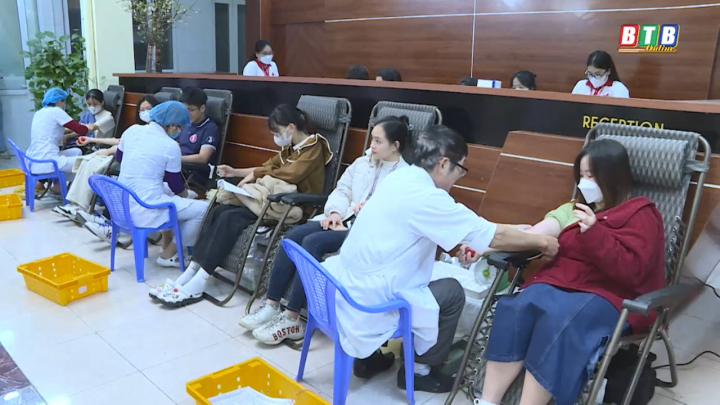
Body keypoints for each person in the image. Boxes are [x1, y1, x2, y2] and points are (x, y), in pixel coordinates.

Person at [320, 126, 558, 392]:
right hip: (368, 300)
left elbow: (464, 229)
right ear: (444, 163)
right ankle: (420, 371)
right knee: (452, 292)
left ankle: (368, 359)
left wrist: (494, 235)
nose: (460, 176)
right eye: (461, 169)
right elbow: (494, 235)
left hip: (342, 287)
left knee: (422, 274)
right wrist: (543, 242)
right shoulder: (427, 197)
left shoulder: (401, 178)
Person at [474, 139, 664, 405]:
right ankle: (487, 401)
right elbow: (535, 234)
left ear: (613, 176)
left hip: (609, 293)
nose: (585, 182)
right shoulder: (573, 209)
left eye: (591, 175)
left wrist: (596, 233)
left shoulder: (641, 214)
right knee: (516, 307)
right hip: (561, 280)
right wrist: (483, 247)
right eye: (582, 175)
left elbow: (633, 272)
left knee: (560, 320)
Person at [239, 115, 412, 345]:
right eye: (372, 139)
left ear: (395, 145)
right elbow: (342, 190)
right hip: (340, 219)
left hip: (366, 232)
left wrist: (355, 221)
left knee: (312, 243)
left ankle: (292, 318)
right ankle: (271, 304)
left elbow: (392, 216)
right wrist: (335, 213)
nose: (371, 145)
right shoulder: (363, 163)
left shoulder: (404, 177)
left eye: (378, 141)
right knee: (292, 237)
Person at [150, 104, 332, 307]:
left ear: (290, 127)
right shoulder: (290, 149)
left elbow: (291, 175)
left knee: (231, 218)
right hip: (270, 200)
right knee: (219, 210)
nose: (275, 137)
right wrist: (235, 172)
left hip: (292, 206)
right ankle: (192, 271)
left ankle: (202, 278)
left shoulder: (315, 147)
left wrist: (255, 175)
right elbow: (266, 167)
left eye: (276, 133)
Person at [114, 101, 209, 268]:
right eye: (179, 128)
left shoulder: (132, 130)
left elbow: (119, 158)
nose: (179, 132)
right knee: (203, 209)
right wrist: (189, 195)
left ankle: (166, 245)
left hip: (121, 207)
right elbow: (175, 185)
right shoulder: (170, 146)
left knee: (166, 192)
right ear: (171, 125)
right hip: (146, 210)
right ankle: (169, 254)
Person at [54, 96, 160, 225]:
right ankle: (75, 204)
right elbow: (119, 141)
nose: (145, 113)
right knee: (86, 161)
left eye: (149, 109)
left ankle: (80, 207)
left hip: (130, 159)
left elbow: (125, 147)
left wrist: (109, 151)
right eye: (142, 110)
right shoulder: (136, 128)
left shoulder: (158, 131)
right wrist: (91, 140)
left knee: (93, 162)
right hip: (119, 154)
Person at [26, 87, 89, 193]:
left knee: (76, 152)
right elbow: (82, 130)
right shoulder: (56, 111)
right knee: (85, 163)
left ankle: (58, 186)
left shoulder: (39, 113)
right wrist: (89, 127)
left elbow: (53, 128)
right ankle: (76, 193)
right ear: (59, 101)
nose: (64, 105)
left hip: (34, 159)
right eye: (64, 102)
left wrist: (71, 131)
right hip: (48, 161)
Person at [178, 87, 221, 165]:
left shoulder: (210, 128)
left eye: (191, 110)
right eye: (184, 110)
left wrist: (176, 159)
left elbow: (202, 158)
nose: (187, 114)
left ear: (202, 108)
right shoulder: (185, 124)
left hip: (193, 168)